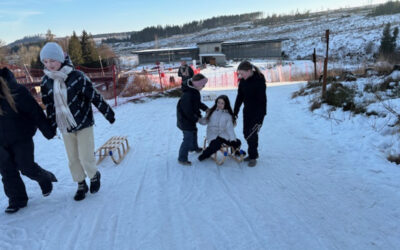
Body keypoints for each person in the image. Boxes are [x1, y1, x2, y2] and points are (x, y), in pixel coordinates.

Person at [40, 42, 115, 201]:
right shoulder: (46, 81)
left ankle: (94, 176)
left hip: (84, 123)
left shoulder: (77, 76)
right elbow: (50, 106)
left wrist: (108, 113)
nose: (49, 65)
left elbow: (94, 96)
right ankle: (81, 184)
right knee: (73, 159)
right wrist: (51, 127)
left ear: (61, 58)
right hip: (65, 126)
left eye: (52, 60)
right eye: (45, 62)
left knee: (85, 156)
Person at [0, 67, 57, 214]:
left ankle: (44, 177)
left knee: (25, 166)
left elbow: (35, 111)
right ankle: (17, 199)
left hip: (21, 136)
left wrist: (48, 131)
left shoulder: (16, 90)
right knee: (7, 171)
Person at [233, 61, 267, 167]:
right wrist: (235, 113)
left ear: (249, 71)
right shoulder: (243, 82)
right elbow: (239, 98)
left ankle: (253, 156)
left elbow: (263, 101)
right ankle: (253, 154)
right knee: (245, 133)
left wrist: (260, 118)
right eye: (239, 74)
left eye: (242, 73)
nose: (240, 76)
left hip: (257, 113)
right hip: (247, 112)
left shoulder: (259, 81)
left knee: (252, 134)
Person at [198, 95, 243, 161]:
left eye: (222, 103)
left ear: (226, 104)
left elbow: (230, 129)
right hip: (213, 133)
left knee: (237, 142)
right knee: (216, 145)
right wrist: (198, 119)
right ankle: (205, 154)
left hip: (223, 134)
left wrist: (233, 140)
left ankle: (236, 151)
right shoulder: (211, 111)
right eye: (218, 102)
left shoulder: (228, 115)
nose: (219, 104)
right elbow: (205, 121)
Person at [176, 73, 209, 166]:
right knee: (188, 137)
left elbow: (197, 103)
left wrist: (206, 108)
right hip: (185, 120)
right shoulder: (187, 95)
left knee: (194, 131)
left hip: (190, 119)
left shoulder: (194, 91)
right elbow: (188, 112)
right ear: (197, 84)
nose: (204, 86)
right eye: (203, 85)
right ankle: (182, 158)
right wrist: (197, 119)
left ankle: (193, 147)